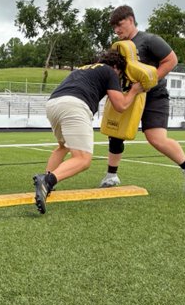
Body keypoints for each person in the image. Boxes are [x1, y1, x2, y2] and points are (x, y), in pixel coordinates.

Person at [100, 5, 185, 193]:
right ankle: (111, 176)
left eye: (119, 25)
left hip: (154, 95)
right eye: (114, 27)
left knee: (156, 139)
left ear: (131, 20)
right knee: (116, 132)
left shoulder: (150, 40)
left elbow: (171, 60)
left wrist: (149, 82)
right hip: (130, 93)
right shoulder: (119, 46)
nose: (116, 30)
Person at [32, 50, 143, 213]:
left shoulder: (85, 68)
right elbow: (121, 105)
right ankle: (47, 181)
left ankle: (45, 186)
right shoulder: (109, 71)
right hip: (74, 105)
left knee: (63, 147)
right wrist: (134, 90)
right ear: (116, 67)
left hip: (53, 104)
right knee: (83, 159)